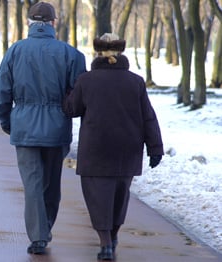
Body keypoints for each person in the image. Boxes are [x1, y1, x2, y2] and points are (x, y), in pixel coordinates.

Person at [0, 1, 86, 255]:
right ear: (54, 23)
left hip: (23, 126)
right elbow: (79, 95)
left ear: (29, 23)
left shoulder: (15, 51)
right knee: (51, 183)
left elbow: (1, 91)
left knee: (32, 183)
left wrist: (6, 120)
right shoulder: (71, 54)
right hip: (56, 129)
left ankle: (38, 235)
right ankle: (44, 229)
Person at [63, 33, 164, 261]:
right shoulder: (135, 81)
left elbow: (72, 109)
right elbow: (148, 117)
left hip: (95, 150)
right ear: (121, 53)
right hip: (127, 150)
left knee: (98, 198)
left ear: (97, 54)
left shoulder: (86, 80)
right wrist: (155, 149)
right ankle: (114, 236)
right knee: (120, 196)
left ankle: (105, 242)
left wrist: (67, 94)